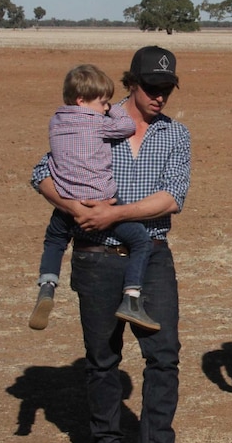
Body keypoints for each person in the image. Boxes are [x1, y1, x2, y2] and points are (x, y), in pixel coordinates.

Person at [31, 46, 197, 443]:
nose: (160, 96)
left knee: (164, 357)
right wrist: (70, 206)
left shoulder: (176, 135)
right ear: (131, 84)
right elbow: (41, 171)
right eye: (152, 88)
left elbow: (172, 198)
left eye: (167, 88)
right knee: (104, 362)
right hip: (95, 258)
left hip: (153, 255)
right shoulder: (94, 119)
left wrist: (114, 215)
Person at [29, 64, 159, 332]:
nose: (104, 106)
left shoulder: (56, 121)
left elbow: (45, 165)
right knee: (141, 241)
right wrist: (113, 111)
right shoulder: (96, 121)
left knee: (54, 240)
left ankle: (47, 286)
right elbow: (125, 127)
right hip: (101, 203)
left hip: (66, 203)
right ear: (81, 101)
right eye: (101, 102)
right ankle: (132, 298)